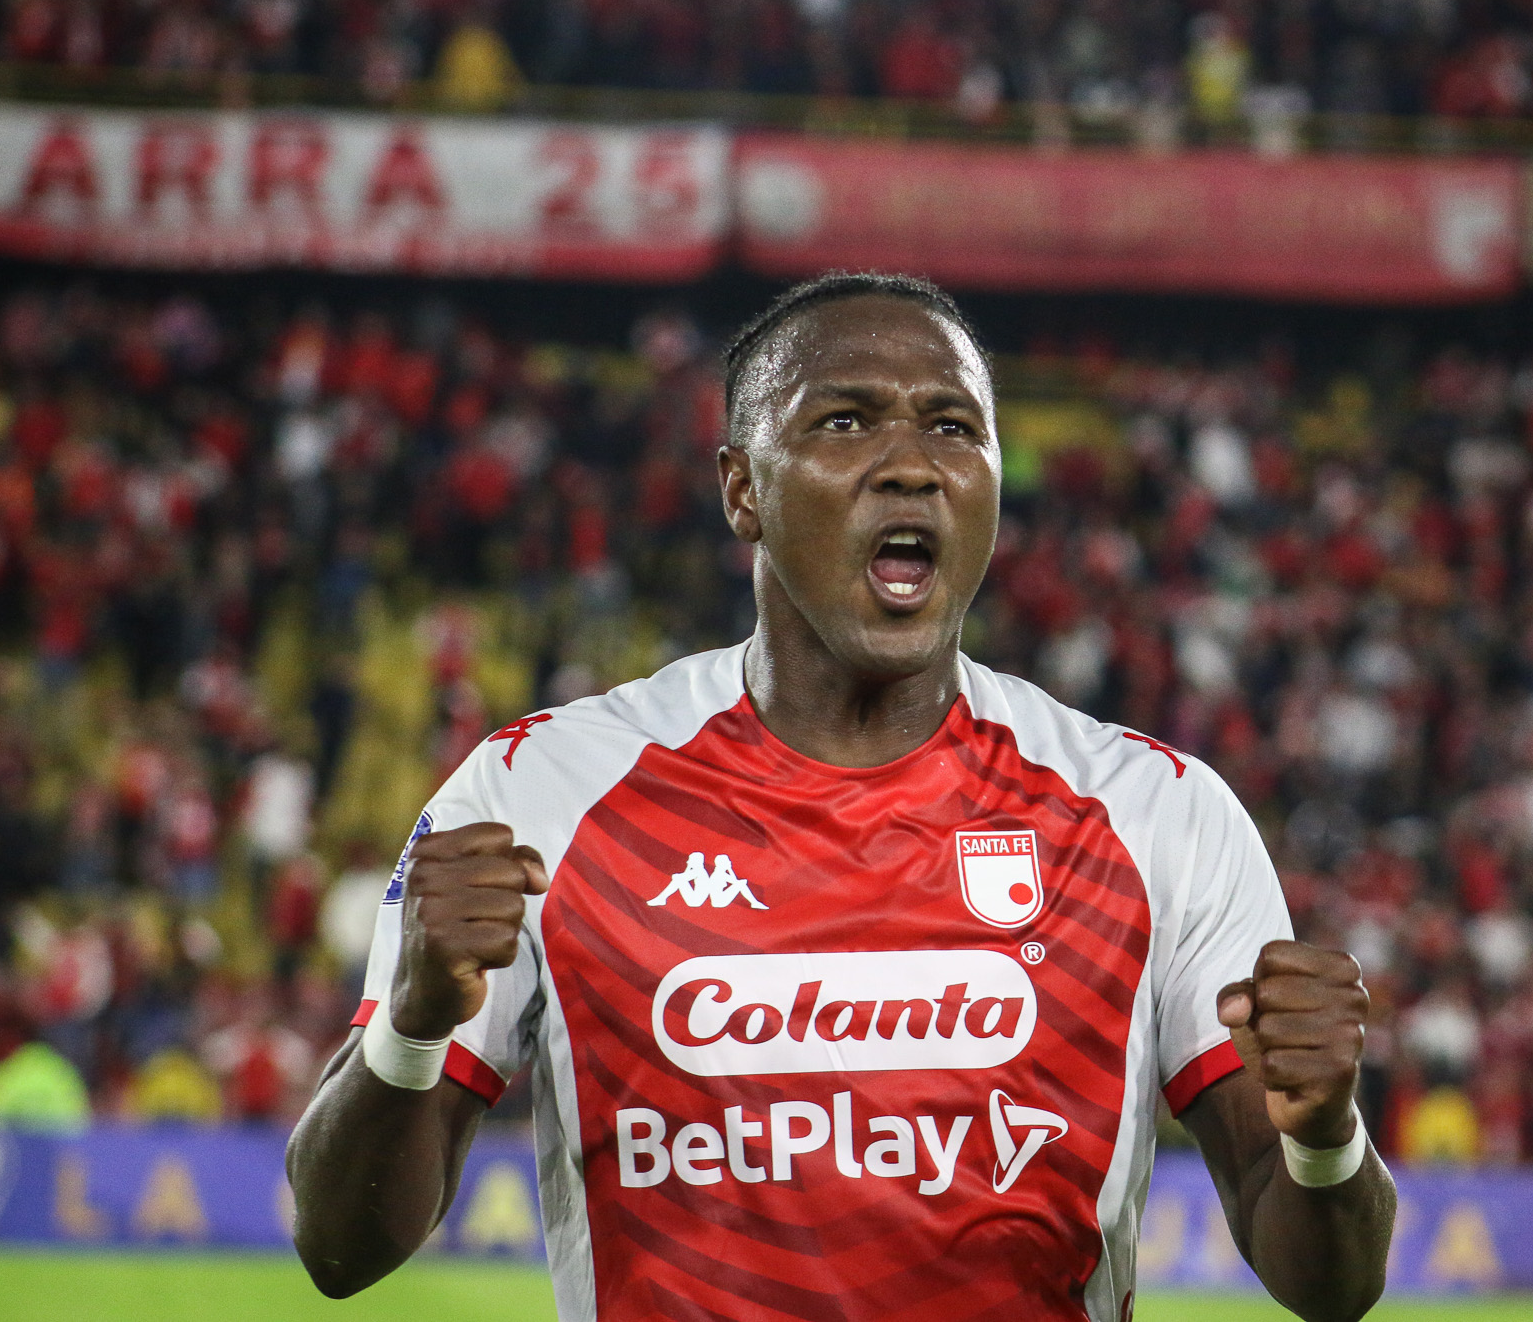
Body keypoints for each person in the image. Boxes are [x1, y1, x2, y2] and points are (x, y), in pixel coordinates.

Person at [286, 273, 1395, 1320]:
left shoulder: (1157, 816)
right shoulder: (538, 794)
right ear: (742, 490)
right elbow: (337, 1248)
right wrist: (414, 1027)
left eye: (952, 427)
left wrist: (1324, 1136)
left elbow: (1331, 1287)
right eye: (846, 421)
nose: (910, 465)